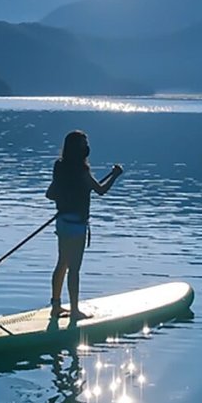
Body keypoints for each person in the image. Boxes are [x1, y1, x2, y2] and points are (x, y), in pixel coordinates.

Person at [46, 130, 122, 320]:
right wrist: (115, 175)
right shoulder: (82, 171)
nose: (87, 147)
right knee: (74, 269)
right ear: (79, 149)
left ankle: (55, 306)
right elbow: (101, 190)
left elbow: (51, 193)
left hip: (62, 223)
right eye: (84, 144)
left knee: (62, 263)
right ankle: (74, 311)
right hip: (76, 226)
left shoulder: (59, 166)